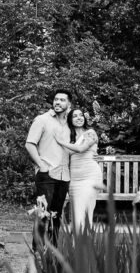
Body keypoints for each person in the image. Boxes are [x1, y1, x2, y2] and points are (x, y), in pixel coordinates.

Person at [25, 89, 72, 243]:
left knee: (57, 215)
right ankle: (37, 251)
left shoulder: (69, 124)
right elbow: (30, 144)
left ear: (69, 104)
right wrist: (41, 165)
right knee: (43, 214)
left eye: (62, 100)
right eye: (56, 99)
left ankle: (53, 251)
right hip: (46, 174)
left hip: (64, 175)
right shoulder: (42, 119)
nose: (57, 102)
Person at [56, 107, 106, 232]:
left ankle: (83, 245)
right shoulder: (69, 137)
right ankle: (76, 247)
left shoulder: (90, 132)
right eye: (74, 116)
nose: (79, 118)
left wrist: (60, 142)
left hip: (90, 175)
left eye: (81, 115)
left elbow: (81, 149)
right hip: (74, 179)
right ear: (70, 120)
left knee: (84, 211)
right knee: (76, 212)